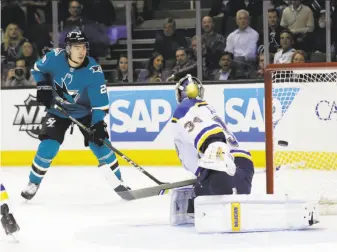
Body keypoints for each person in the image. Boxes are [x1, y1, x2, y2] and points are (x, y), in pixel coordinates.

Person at [21, 30, 129, 200]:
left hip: (84, 111)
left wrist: (98, 124)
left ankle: (119, 181)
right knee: (48, 146)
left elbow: (100, 104)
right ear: (68, 49)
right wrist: (42, 84)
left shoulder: (93, 70)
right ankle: (33, 182)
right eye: (76, 47)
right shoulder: (54, 57)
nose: (81, 51)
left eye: (84, 47)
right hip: (57, 110)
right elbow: (37, 69)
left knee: (101, 144)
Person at [170, 74, 254, 225]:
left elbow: (208, 134)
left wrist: (218, 151)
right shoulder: (208, 109)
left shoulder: (185, 108)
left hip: (222, 171)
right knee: (210, 189)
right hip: (245, 168)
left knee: (197, 197)